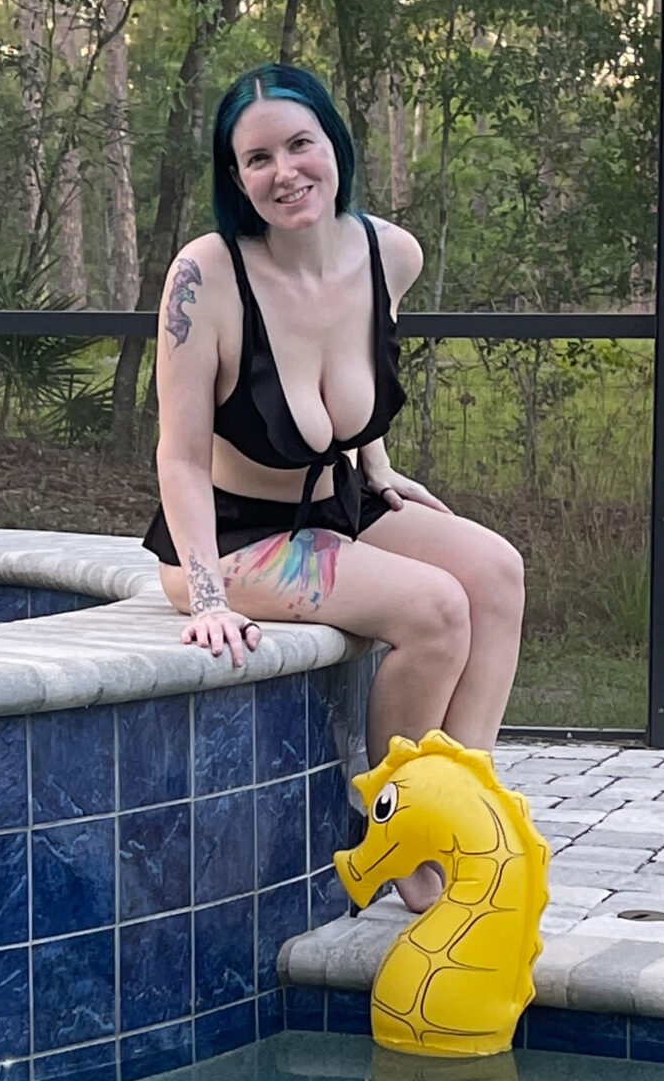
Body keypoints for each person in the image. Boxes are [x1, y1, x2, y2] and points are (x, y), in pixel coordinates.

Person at [142, 63, 525, 912]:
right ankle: (392, 833)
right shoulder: (205, 278)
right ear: (235, 178)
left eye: (300, 144)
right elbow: (179, 457)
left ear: (334, 145)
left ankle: (461, 814)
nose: (286, 172)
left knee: (495, 572)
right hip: (236, 540)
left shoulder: (390, 253)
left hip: (336, 509)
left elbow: (359, 372)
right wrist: (207, 596)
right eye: (258, 159)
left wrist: (380, 472)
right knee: (434, 609)